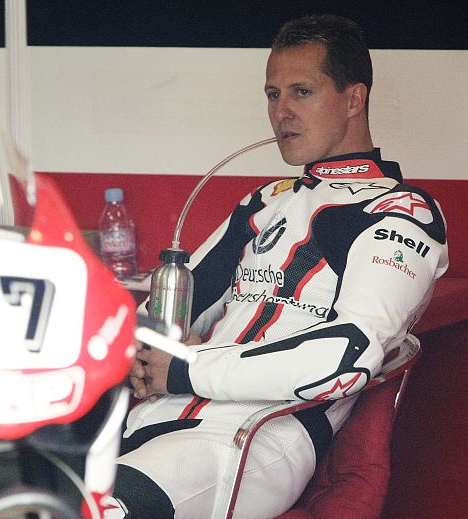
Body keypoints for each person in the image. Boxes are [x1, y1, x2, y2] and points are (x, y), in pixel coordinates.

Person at [109, 14, 448, 519]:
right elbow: (162, 316)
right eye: (273, 94)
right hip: (150, 414)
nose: (281, 112)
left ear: (353, 100)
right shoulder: (265, 201)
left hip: (249, 438)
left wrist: (186, 367)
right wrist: (146, 352)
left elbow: (348, 357)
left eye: (301, 92)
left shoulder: (402, 212)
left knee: (92, 508)